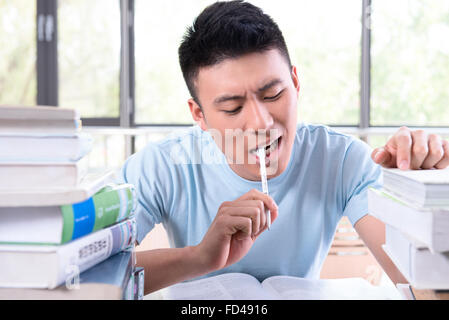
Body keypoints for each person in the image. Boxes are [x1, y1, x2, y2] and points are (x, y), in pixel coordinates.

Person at [119, 0, 449, 295]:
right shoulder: (163, 165)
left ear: (295, 82)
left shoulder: (341, 159)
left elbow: (421, 287)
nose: (261, 123)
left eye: (273, 94)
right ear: (199, 115)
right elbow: (87, 279)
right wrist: (199, 257)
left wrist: (419, 197)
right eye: (233, 108)